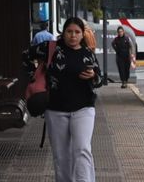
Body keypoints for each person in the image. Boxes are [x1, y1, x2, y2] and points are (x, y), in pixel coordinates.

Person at [40, 17, 103, 182]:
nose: (73, 36)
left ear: (82, 35)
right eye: (69, 31)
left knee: (82, 149)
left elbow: (100, 80)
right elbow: (26, 56)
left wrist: (93, 75)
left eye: (77, 32)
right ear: (63, 33)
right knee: (61, 156)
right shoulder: (51, 49)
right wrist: (35, 77)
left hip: (84, 108)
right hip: (55, 109)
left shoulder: (87, 53)